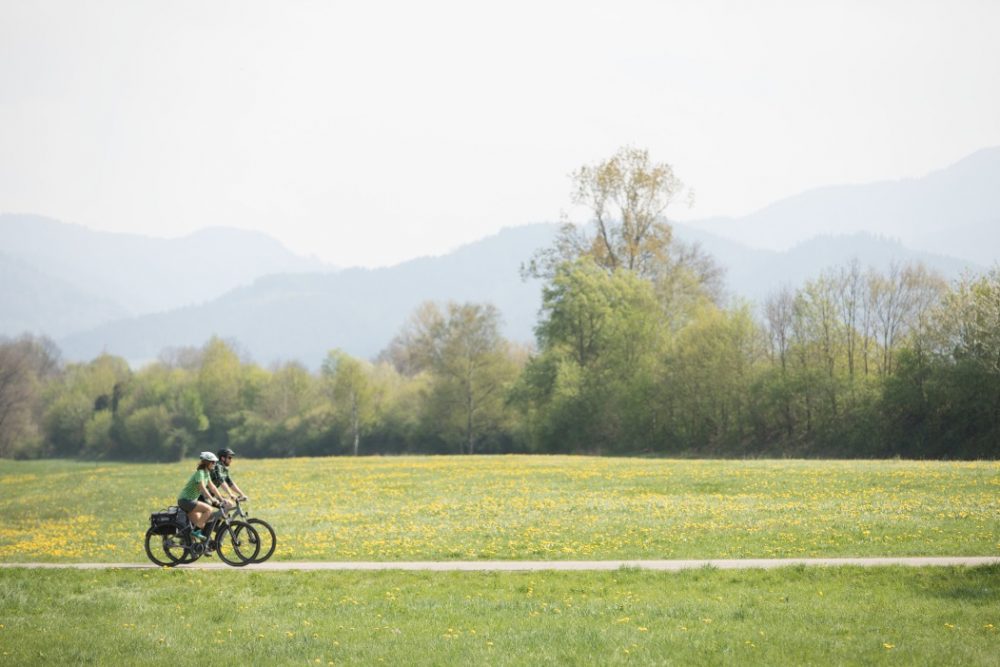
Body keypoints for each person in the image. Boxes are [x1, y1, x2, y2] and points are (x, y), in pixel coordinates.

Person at [178, 452, 229, 541]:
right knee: (209, 509)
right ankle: (195, 532)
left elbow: (212, 487)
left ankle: (190, 545)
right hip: (185, 500)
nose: (214, 464)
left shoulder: (206, 473)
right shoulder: (200, 473)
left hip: (189, 501)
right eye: (213, 462)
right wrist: (212, 499)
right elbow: (202, 488)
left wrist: (221, 499)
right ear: (207, 462)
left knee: (201, 523)